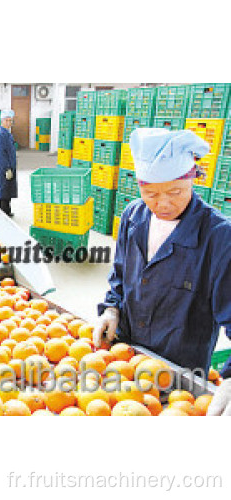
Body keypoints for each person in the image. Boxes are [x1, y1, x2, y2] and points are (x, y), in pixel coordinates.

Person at [92, 128, 231, 416]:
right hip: (126, 358)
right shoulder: (133, 216)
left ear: (194, 179)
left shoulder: (218, 236)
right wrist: (111, 309)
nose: (163, 204)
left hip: (179, 375)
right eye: (150, 193)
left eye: (175, 192)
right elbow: (119, 275)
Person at [0, 109, 17, 217]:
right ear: (1, 121)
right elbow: (0, 154)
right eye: (6, 120)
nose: (8, 123)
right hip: (3, 167)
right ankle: (3, 213)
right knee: (3, 190)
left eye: (10, 120)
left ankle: (7, 210)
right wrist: (7, 168)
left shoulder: (7, 133)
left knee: (7, 190)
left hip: (9, 166)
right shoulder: (0, 135)